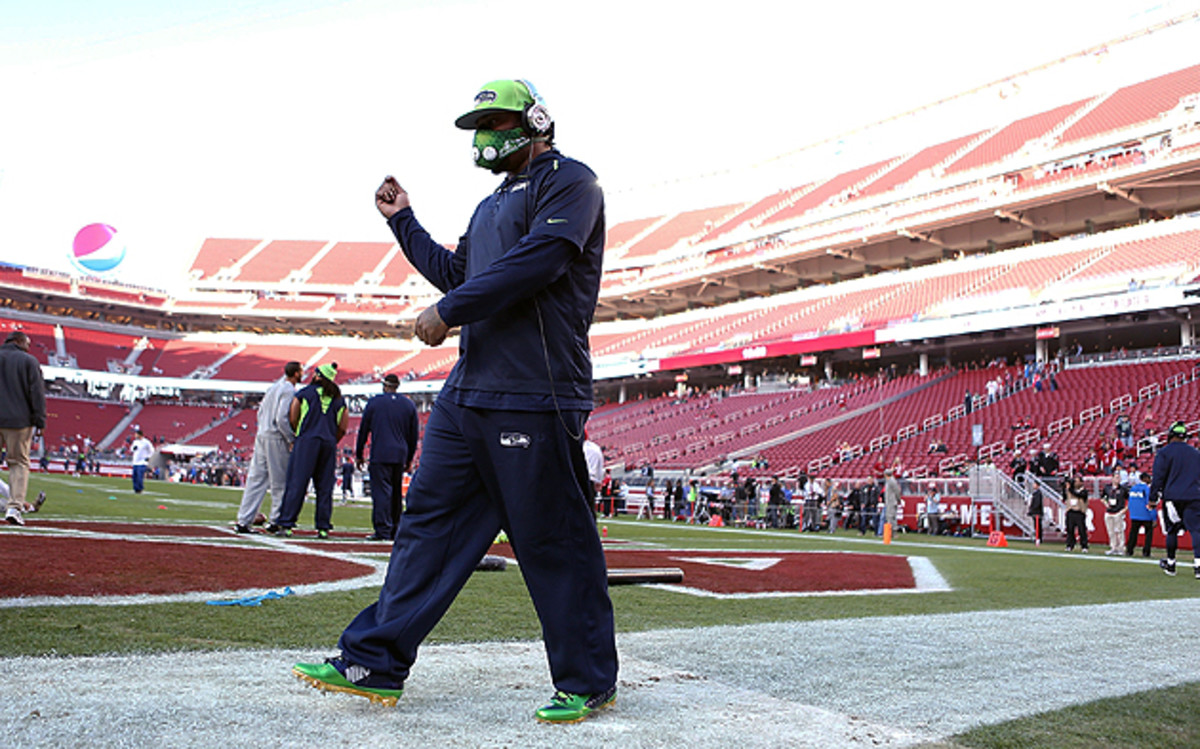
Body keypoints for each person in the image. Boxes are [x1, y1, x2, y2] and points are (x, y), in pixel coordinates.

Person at [293, 80, 617, 724]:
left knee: (553, 540)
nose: (484, 137)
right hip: (467, 394)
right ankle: (375, 662)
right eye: (478, 126)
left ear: (537, 121)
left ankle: (587, 679)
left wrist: (451, 311)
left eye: (495, 122)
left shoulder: (572, 183)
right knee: (426, 529)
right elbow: (458, 275)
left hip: (535, 394)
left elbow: (540, 261)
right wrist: (402, 221)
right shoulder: (489, 203)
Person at [275, 363, 348, 539]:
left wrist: (300, 434)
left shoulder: (304, 393)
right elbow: (343, 427)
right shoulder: (339, 398)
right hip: (328, 443)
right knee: (324, 487)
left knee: (297, 483)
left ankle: (287, 524)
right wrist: (331, 439)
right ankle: (323, 527)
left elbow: (293, 417)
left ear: (317, 375)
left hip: (306, 441)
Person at [234, 361, 302, 534]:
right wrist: (290, 437)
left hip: (262, 434)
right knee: (280, 481)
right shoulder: (288, 390)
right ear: (296, 373)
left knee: (256, 479)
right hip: (276, 436)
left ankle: (244, 519)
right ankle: (276, 520)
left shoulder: (274, 387)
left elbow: (261, 411)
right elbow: (281, 417)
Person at [356, 373, 419, 542]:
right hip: (400, 454)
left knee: (382, 493)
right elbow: (413, 435)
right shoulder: (408, 405)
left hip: (380, 453)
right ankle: (395, 528)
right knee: (396, 493)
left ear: (384, 385)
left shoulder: (374, 402)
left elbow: (363, 430)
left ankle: (382, 529)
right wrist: (410, 458)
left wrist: (359, 454)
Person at [0, 332, 46, 526]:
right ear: (19, 342)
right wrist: (40, 421)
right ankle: (14, 507)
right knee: (18, 463)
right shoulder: (29, 361)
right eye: (28, 343)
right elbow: (36, 392)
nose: (29, 347)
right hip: (18, 421)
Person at [1149, 421, 1200, 578]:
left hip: (1172, 497)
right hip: (1194, 496)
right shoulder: (1195, 453)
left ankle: (1171, 563)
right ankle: (1198, 566)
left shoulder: (1164, 452)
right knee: (1196, 530)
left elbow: (1158, 478)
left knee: (1172, 530)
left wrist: (1152, 499)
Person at [1125, 471, 1155, 557]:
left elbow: (1130, 502)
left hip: (1135, 515)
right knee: (1148, 534)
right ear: (1145, 479)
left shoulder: (1133, 488)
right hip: (1145, 515)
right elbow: (1149, 503)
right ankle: (1146, 552)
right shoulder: (1147, 489)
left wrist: (1132, 512)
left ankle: (1129, 550)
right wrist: (1154, 517)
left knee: (1133, 533)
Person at [1100, 472, 1127, 556]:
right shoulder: (1107, 488)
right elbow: (1102, 497)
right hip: (1109, 511)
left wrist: (1124, 510)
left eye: (1119, 478)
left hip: (1118, 511)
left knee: (1119, 531)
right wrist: (1105, 503)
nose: (1117, 480)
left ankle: (1121, 548)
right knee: (1110, 531)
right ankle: (1113, 547)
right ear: (1112, 479)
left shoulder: (1123, 489)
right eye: (1116, 478)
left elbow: (1129, 500)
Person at [1063, 474, 1089, 553]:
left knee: (1082, 530)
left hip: (1079, 512)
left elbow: (1078, 495)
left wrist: (1070, 489)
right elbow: (1064, 497)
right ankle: (1070, 545)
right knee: (1070, 530)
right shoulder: (1070, 491)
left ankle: (1084, 546)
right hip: (1071, 511)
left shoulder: (1084, 491)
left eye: (1077, 481)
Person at [582, 433, 604, 514]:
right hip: (591, 480)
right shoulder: (595, 448)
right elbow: (600, 466)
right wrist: (599, 480)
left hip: (577, 479)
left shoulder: (575, 446)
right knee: (589, 509)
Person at [130, 429, 154, 495]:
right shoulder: (135, 442)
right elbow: (132, 449)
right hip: (135, 461)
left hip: (142, 462)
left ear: (140, 435)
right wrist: (133, 448)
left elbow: (151, 450)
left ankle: (140, 489)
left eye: (136, 434)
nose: (135, 435)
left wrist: (148, 457)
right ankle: (135, 488)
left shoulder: (146, 442)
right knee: (134, 476)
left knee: (139, 476)